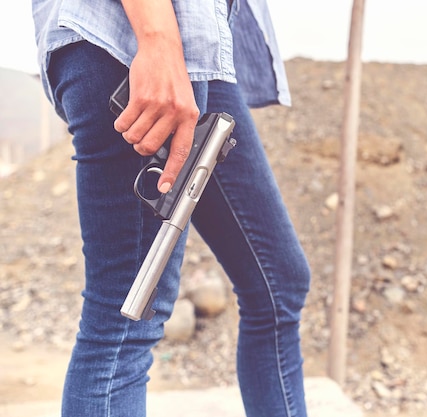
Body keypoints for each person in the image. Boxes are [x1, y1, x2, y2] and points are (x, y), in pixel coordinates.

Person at [31, 0, 311, 416]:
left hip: (197, 47)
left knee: (278, 284)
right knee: (125, 323)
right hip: (134, 36)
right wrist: (157, 38)